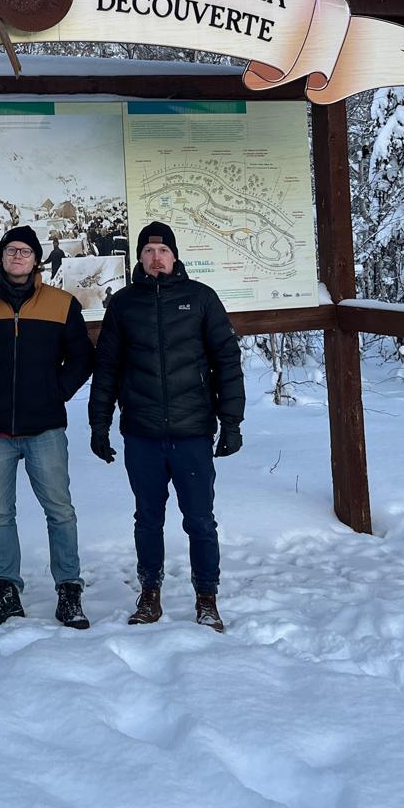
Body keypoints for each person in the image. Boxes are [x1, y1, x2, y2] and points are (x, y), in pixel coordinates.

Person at [89, 222, 244, 632]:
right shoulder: (123, 304)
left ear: (174, 256)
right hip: (142, 432)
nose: (156, 257)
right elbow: (107, 367)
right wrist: (99, 424)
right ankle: (150, 594)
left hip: (192, 431)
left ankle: (206, 597)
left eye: (162, 250)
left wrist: (232, 422)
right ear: (139, 258)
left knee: (199, 520)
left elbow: (227, 360)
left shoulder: (200, 299)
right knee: (147, 519)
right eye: (148, 251)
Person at [0, 225, 93, 629]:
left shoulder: (61, 304)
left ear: (36, 258)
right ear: (0, 256)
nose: (18, 256)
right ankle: (7, 590)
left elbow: (82, 357)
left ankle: (69, 591)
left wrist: (54, 392)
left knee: (60, 511)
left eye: (26, 250)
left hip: (45, 429)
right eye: (11, 250)